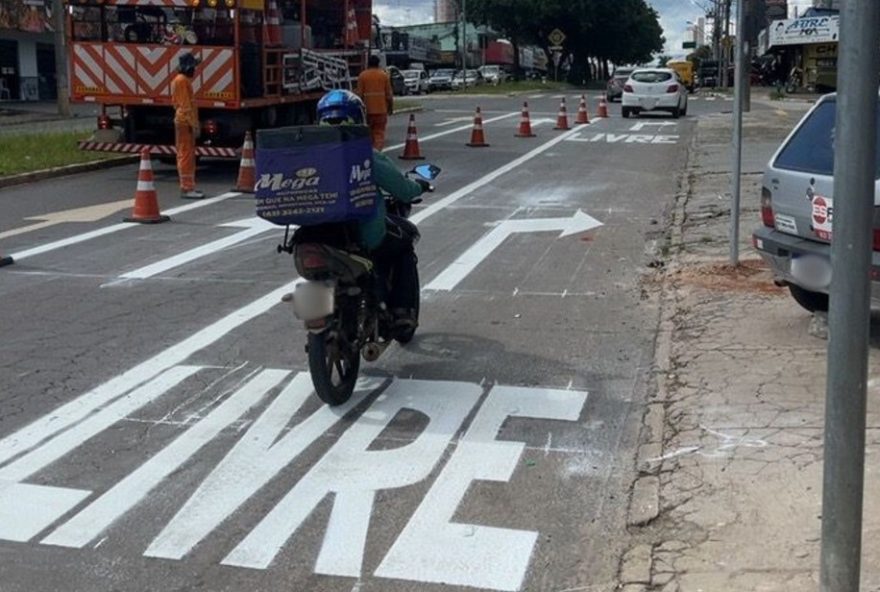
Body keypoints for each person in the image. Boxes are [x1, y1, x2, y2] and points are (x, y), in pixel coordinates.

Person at [316, 89, 427, 327]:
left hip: (313, 237)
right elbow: (402, 189)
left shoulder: (305, 156)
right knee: (404, 243)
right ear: (358, 119)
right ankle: (401, 313)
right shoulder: (364, 155)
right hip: (361, 236)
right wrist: (419, 186)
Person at [171, 52, 204, 199]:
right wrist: (194, 125)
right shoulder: (182, 81)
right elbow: (185, 106)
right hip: (185, 122)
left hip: (182, 121)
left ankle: (188, 186)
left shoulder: (179, 80)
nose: (195, 70)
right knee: (186, 155)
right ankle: (187, 187)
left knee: (185, 154)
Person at [356, 55, 394, 150]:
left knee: (368, 133)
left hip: (367, 111)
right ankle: (376, 153)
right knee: (379, 133)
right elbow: (389, 95)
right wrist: (390, 108)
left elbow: (359, 95)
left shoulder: (362, 76)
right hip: (381, 110)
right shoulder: (384, 76)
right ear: (378, 64)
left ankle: (367, 151)